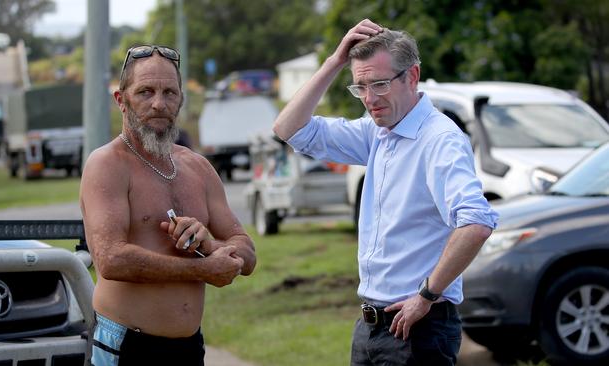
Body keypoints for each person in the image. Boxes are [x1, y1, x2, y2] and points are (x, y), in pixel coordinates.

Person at [273, 20, 498, 365]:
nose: (369, 99)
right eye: (360, 87)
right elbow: (289, 128)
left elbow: (476, 222)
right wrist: (335, 61)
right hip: (370, 325)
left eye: (379, 84)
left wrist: (425, 296)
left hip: (419, 327)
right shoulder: (376, 132)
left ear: (412, 76)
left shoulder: (440, 139)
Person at [80, 44, 256, 365]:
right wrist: (203, 269)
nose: (159, 104)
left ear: (180, 101)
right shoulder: (106, 164)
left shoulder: (197, 167)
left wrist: (209, 244)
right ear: (122, 100)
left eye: (169, 93)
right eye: (145, 92)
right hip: (125, 346)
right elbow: (111, 259)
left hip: (189, 348)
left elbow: (246, 251)